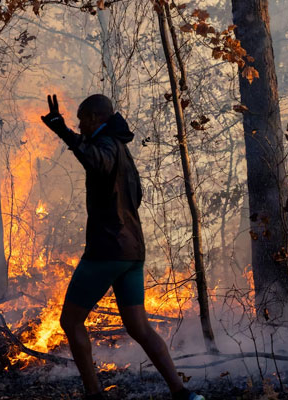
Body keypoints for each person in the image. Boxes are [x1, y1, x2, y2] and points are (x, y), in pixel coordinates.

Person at [41, 94, 204, 400]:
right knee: (138, 327)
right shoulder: (122, 149)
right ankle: (182, 393)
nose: (78, 124)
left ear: (95, 118)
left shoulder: (107, 146)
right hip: (132, 251)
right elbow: (135, 196)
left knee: (70, 321)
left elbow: (96, 161)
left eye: (81, 118)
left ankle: (94, 394)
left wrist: (63, 132)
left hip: (107, 251)